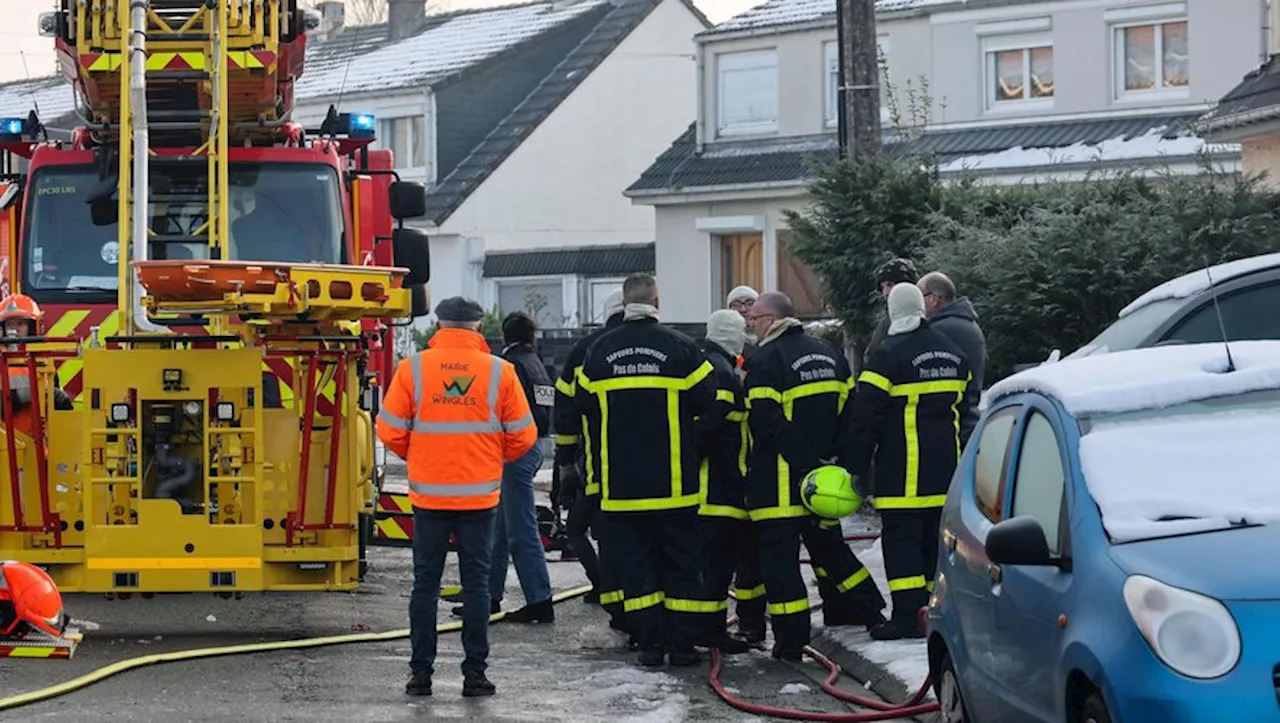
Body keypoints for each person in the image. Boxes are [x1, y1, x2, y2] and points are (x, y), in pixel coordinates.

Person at [376, 296, 538, 698]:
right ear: (480, 328)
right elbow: (524, 436)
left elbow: (389, 429)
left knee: (425, 586)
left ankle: (420, 676)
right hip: (480, 498)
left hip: (428, 496)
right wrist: (487, 456)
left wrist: (421, 456)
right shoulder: (500, 372)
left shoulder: (412, 369)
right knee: (478, 586)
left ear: (438, 326)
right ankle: (474, 675)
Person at [575, 272, 717, 667]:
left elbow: (580, 409)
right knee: (681, 564)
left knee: (636, 570)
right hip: (674, 484)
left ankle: (651, 645)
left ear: (623, 305)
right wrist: (690, 443)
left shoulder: (598, 353)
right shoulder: (682, 349)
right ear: (656, 303)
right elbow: (712, 403)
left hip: (620, 488)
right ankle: (683, 646)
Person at [742, 292, 886, 661]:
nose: (751, 325)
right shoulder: (829, 354)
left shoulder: (766, 360)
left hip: (779, 486)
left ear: (772, 320)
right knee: (831, 550)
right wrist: (832, 462)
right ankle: (871, 610)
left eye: (755, 319)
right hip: (824, 484)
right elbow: (851, 414)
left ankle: (791, 641)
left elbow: (765, 421)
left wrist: (804, 462)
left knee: (780, 564)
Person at [843, 283, 971, 641]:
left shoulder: (886, 357)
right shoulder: (954, 354)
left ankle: (905, 616)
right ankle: (935, 612)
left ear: (892, 312)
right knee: (934, 545)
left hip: (903, 474)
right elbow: (967, 410)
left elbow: (865, 417)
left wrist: (856, 465)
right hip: (947, 473)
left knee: (902, 547)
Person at [454, 311, 554, 623]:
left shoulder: (508, 366)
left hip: (513, 453)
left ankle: (540, 601)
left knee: (520, 531)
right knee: (497, 530)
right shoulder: (537, 365)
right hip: (532, 448)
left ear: (504, 336)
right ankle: (487, 598)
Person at [552, 290, 626, 631]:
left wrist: (566, 462)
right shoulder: (668, 345)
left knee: (582, 528)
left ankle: (604, 585)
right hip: (659, 468)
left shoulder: (586, 349)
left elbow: (566, 407)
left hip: (596, 462)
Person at [689, 310, 760, 653]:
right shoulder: (723, 374)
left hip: (712, 485)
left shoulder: (707, 365)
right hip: (718, 487)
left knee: (711, 563)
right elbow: (709, 430)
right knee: (716, 566)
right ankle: (709, 630)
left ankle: (705, 627)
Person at [918, 271, 988, 448]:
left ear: (934, 299)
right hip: (969, 424)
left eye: (920, 296)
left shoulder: (939, 332)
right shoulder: (969, 325)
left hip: (950, 429)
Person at [0, 293, 72, 437]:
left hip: (38, 445)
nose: (14, 330)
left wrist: (60, 398)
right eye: (10, 324)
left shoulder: (43, 360)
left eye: (20, 324)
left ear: (33, 326)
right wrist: (26, 395)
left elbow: (56, 403)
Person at [864, 258, 919, 364]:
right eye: (882, 287)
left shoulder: (931, 315)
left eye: (889, 284)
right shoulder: (886, 322)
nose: (885, 292)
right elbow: (871, 357)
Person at [726, 285, 759, 370]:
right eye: (736, 305)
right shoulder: (724, 343)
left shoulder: (770, 337)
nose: (743, 309)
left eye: (749, 304)